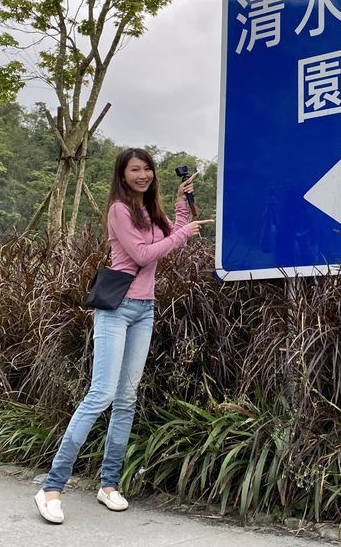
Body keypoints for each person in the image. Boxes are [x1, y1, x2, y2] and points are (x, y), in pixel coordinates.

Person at [34, 148, 213, 525]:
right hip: (115, 310)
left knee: (127, 398)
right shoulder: (119, 210)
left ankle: (109, 484)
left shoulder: (149, 211)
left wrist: (182, 206)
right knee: (101, 394)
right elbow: (144, 255)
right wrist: (182, 234)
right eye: (136, 169)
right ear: (123, 174)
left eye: (147, 169)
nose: (143, 174)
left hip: (144, 309)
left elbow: (172, 232)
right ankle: (51, 487)